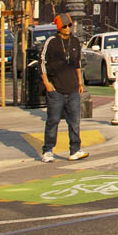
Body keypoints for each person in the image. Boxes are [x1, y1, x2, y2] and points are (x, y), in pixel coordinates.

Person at [39, 14, 88, 163]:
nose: (67, 29)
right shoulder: (52, 42)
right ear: (59, 27)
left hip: (72, 88)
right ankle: (48, 150)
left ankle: (75, 150)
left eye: (69, 25)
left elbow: (77, 64)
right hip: (56, 90)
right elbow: (42, 63)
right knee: (53, 120)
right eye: (64, 26)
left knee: (74, 121)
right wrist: (47, 83)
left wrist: (80, 83)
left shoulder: (75, 41)